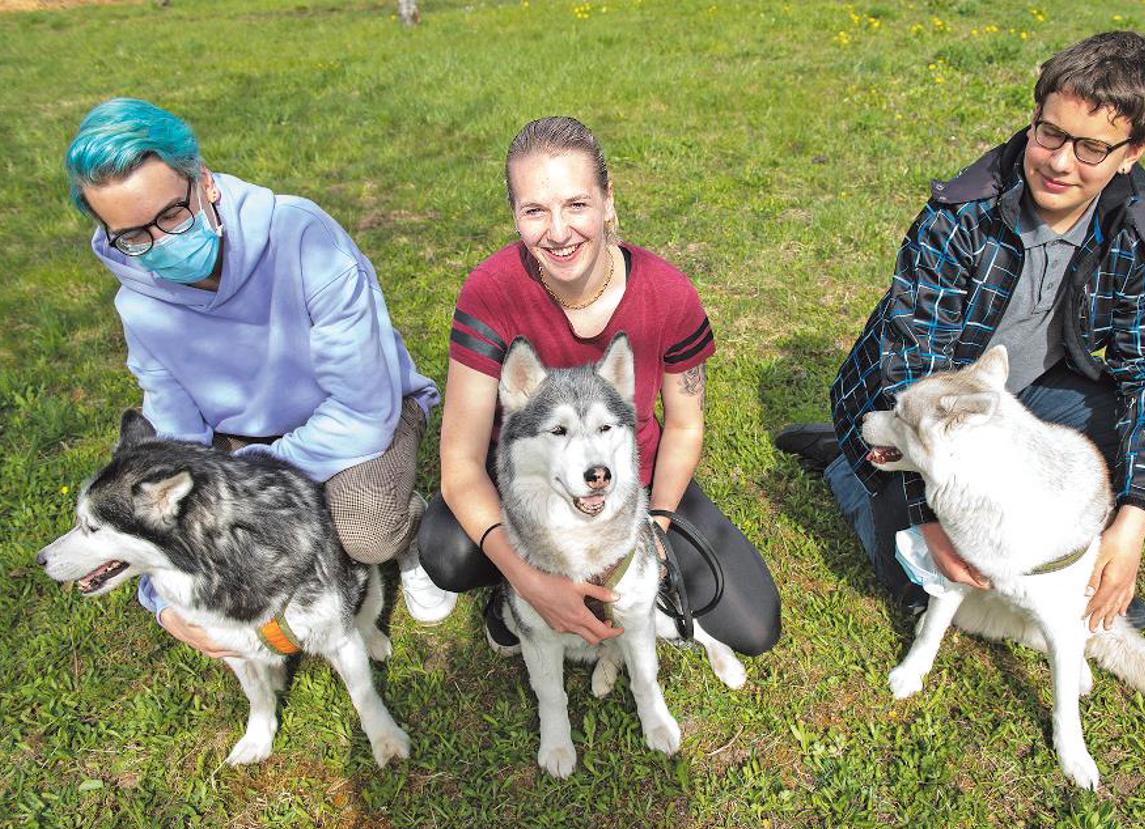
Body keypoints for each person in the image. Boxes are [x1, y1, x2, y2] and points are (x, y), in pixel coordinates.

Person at [776, 32, 1145, 631]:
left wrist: (1133, 519)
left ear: (1131, 152)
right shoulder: (961, 214)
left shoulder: (1143, 231)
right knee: (919, 582)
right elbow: (910, 364)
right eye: (1051, 133)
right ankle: (853, 464)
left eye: (1092, 148)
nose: (1060, 162)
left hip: (1026, 396)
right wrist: (924, 519)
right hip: (919, 406)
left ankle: (1051, 545)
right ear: (1034, 120)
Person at [64, 98, 456, 656]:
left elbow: (363, 408)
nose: (161, 244)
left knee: (366, 531)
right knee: (214, 522)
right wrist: (164, 600)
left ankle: (406, 536)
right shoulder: (139, 307)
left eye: (172, 215)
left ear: (204, 182)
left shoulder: (303, 237)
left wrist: (248, 482)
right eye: (133, 236)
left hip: (362, 416)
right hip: (244, 442)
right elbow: (173, 440)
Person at [418, 116, 780, 657]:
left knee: (754, 627)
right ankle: (512, 596)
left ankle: (629, 577)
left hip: (631, 480)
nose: (558, 232)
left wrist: (656, 525)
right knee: (447, 552)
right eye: (535, 211)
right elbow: (461, 461)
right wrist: (528, 580)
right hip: (530, 482)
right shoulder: (490, 293)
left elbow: (685, 426)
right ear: (514, 215)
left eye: (576, 204)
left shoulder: (668, 294)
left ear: (609, 201)